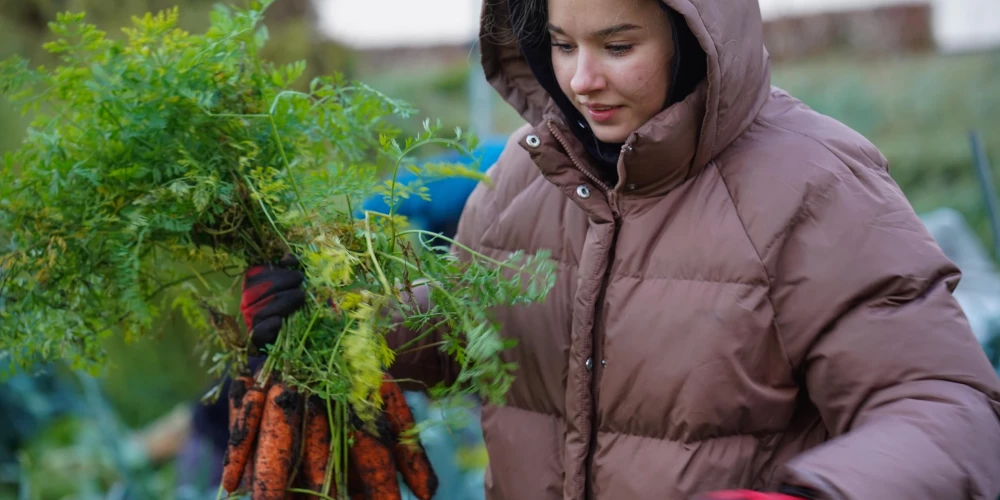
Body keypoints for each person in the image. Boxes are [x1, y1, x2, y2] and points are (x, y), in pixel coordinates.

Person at [240, 0, 1000, 498]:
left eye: (618, 44)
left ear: (695, 37)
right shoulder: (525, 170)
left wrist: (817, 495)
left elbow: (949, 408)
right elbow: (485, 330)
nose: (582, 79)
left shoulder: (814, 184)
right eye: (562, 44)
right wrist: (342, 330)